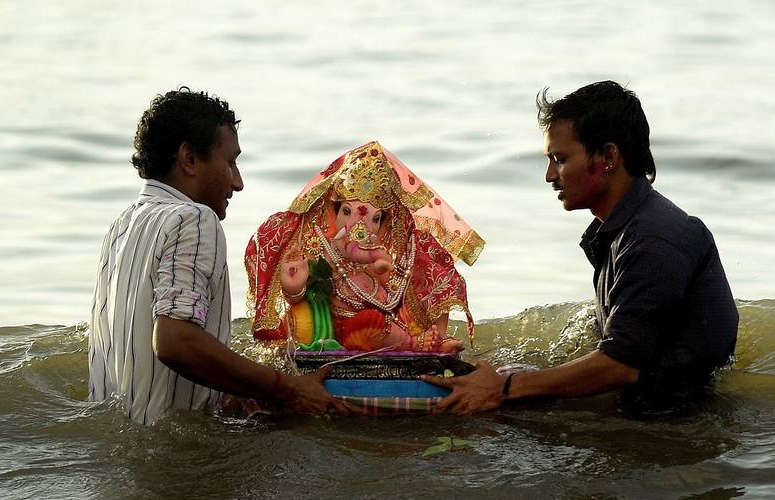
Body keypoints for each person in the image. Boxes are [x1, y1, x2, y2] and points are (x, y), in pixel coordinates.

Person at [424, 81, 738, 415]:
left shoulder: (653, 239)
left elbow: (621, 365)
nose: (549, 176)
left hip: (673, 424)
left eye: (559, 159)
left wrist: (504, 388)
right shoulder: (626, 229)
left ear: (608, 157)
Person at [88, 88, 350, 424]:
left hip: (118, 446)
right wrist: (288, 388)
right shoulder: (195, 218)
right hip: (174, 456)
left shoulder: (121, 225)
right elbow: (175, 341)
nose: (238, 182)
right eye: (230, 162)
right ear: (189, 159)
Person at [246, 141, 483, 353]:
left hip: (383, 323)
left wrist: (388, 273)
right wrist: (294, 288)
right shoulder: (322, 250)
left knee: (409, 299)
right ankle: (415, 345)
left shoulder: (384, 252)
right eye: (347, 211)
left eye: (375, 219)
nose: (358, 225)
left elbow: (392, 294)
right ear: (334, 211)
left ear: (383, 224)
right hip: (347, 328)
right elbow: (304, 295)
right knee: (369, 322)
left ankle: (431, 342)